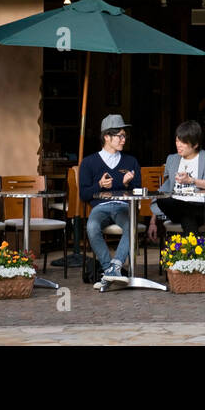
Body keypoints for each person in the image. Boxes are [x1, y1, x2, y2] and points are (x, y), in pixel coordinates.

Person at [78, 114, 141, 286]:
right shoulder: (89, 163)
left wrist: (128, 184)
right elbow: (83, 195)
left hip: (123, 207)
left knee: (131, 226)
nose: (123, 140)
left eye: (124, 136)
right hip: (100, 207)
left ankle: (115, 266)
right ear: (107, 137)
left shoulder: (131, 161)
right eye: (119, 136)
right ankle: (109, 269)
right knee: (91, 227)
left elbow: (139, 191)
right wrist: (99, 185)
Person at [148, 120, 205, 241]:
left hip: (202, 207)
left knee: (186, 215)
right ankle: (197, 254)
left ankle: (193, 253)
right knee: (164, 201)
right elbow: (164, 189)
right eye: (177, 140)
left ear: (195, 144)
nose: (179, 145)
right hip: (177, 206)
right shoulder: (172, 159)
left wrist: (191, 180)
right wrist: (152, 221)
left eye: (183, 142)